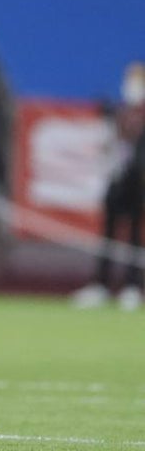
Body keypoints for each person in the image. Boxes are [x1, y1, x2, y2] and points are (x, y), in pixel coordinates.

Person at [72, 61, 145, 311]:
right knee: (108, 235)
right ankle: (101, 285)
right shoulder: (120, 111)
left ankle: (132, 287)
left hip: (139, 183)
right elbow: (110, 145)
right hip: (116, 179)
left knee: (135, 237)